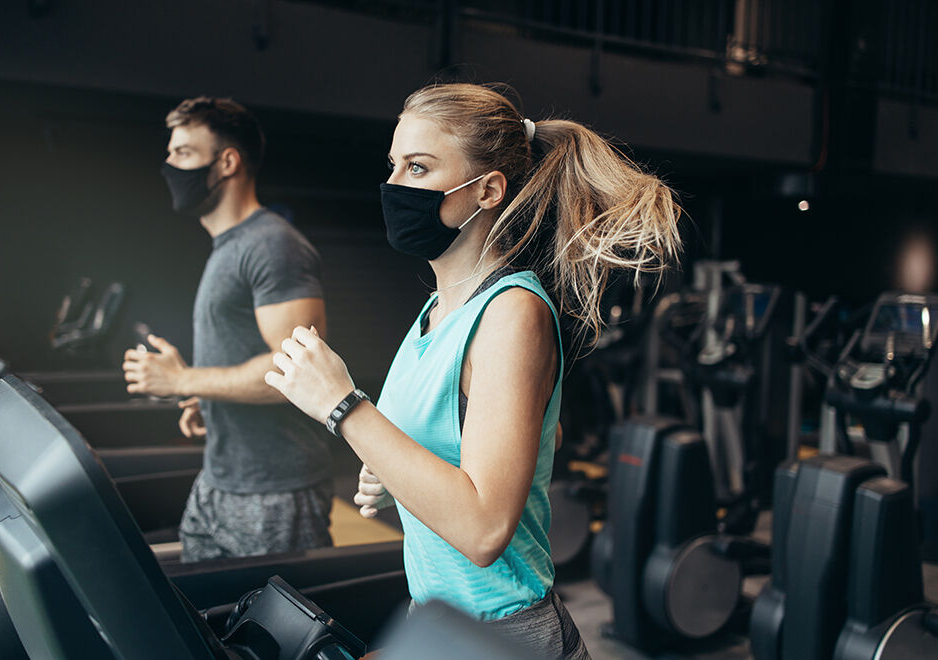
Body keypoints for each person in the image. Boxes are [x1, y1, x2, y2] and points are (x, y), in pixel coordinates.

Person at [263, 83, 681, 658]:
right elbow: (538, 432)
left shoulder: (512, 312)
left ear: (486, 190)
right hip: (439, 620)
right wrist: (399, 464)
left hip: (503, 634)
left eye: (418, 167)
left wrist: (345, 407)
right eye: (393, 165)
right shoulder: (439, 308)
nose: (394, 186)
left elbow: (485, 531)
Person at [122, 97, 332, 562]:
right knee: (204, 622)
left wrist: (182, 379)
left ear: (227, 162)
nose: (169, 166)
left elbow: (297, 370)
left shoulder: (272, 244)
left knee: (269, 630)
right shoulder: (229, 245)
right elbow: (248, 350)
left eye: (183, 154)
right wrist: (208, 396)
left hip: (273, 490)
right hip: (219, 479)